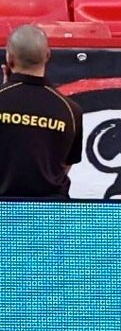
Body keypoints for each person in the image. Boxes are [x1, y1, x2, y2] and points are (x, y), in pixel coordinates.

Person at [0, 25, 82, 200]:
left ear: (9, 58)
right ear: (47, 55)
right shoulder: (70, 110)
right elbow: (64, 166)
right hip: (50, 213)